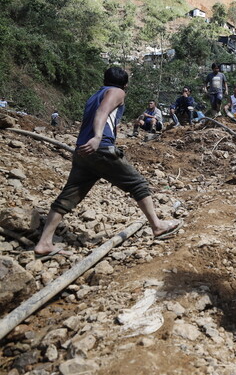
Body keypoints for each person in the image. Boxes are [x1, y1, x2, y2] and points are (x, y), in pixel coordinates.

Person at [33, 67, 182, 257]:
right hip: (99, 149)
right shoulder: (117, 92)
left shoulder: (95, 95)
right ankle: (158, 226)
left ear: (104, 80)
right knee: (138, 184)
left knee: (68, 197)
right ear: (126, 84)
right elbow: (102, 112)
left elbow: (104, 116)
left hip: (83, 151)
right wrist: (97, 137)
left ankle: (44, 242)